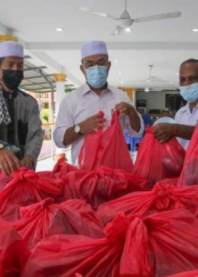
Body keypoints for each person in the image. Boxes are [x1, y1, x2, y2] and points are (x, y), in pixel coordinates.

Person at [53, 41, 144, 165]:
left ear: (108, 65)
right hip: (83, 175)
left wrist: (132, 112)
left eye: (101, 63)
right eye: (89, 64)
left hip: (116, 172)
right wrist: (80, 128)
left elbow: (137, 132)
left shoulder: (121, 96)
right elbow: (59, 140)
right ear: (82, 69)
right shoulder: (70, 101)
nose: (96, 68)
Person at [0, 41, 43, 176]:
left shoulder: (29, 103)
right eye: (10, 64)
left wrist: (29, 157)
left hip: (21, 173)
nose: (15, 69)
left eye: (20, 65)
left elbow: (35, 134)